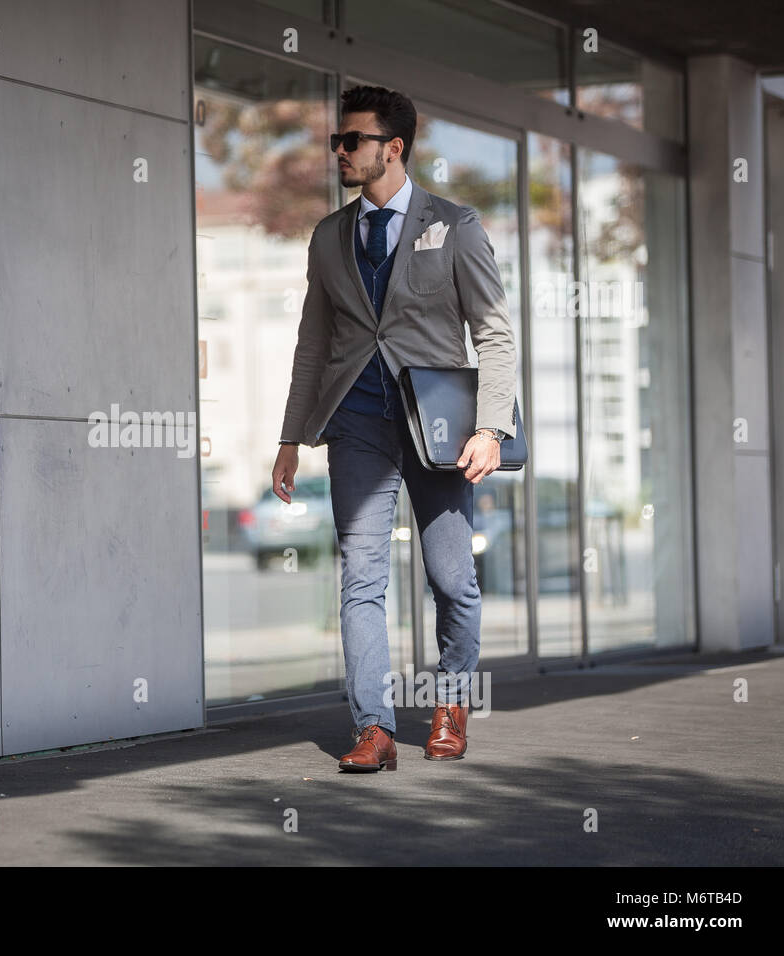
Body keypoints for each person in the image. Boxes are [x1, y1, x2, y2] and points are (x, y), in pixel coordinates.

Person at [272, 84, 517, 772]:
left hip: (440, 429)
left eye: (353, 141)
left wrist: (491, 428)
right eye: (337, 141)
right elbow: (312, 346)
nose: (341, 152)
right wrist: (290, 438)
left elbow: (494, 334)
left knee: (451, 579)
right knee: (361, 578)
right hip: (355, 420)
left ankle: (450, 701)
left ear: (394, 148)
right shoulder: (328, 236)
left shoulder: (457, 226)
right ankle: (374, 727)